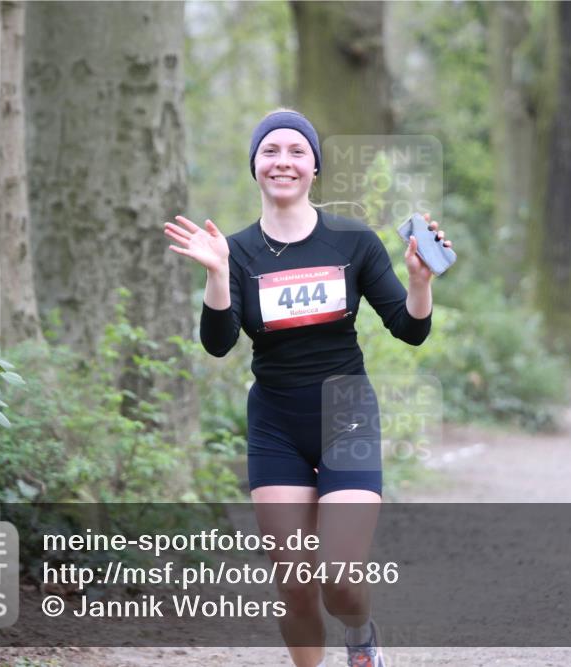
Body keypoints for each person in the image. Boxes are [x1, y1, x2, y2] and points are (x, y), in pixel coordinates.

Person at [163, 108, 452, 667]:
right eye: (270, 151)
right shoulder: (238, 251)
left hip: (346, 411)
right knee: (295, 586)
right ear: (255, 166)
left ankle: (361, 634)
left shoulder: (353, 241)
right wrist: (218, 275)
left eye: (297, 151)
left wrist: (420, 283)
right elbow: (219, 343)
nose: (283, 162)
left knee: (341, 580)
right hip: (275, 421)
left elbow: (409, 330)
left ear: (315, 166)